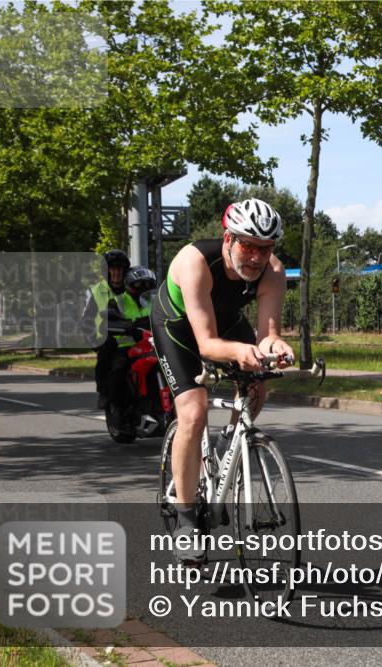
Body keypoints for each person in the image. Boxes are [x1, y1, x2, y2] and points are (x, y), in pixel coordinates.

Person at [150, 198, 294, 563]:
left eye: (266, 248)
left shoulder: (273, 271)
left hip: (226, 321)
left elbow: (268, 333)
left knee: (258, 382)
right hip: (179, 327)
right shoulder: (193, 261)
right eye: (248, 245)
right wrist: (239, 353)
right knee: (193, 413)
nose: (257, 257)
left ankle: (232, 443)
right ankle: (186, 521)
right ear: (227, 238)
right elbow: (208, 345)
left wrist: (275, 345)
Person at [104, 266, 156, 420]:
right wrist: (128, 327)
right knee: (119, 369)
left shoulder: (157, 300)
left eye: (147, 284)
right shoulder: (118, 301)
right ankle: (117, 409)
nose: (143, 288)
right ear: (129, 284)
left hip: (155, 344)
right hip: (129, 346)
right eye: (139, 284)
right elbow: (109, 320)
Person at [80, 250, 129, 409]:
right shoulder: (95, 290)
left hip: (134, 337)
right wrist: (95, 342)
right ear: (106, 270)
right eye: (113, 268)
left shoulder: (133, 288)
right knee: (111, 362)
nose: (116, 272)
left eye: (120, 269)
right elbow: (86, 320)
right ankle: (104, 392)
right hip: (108, 340)